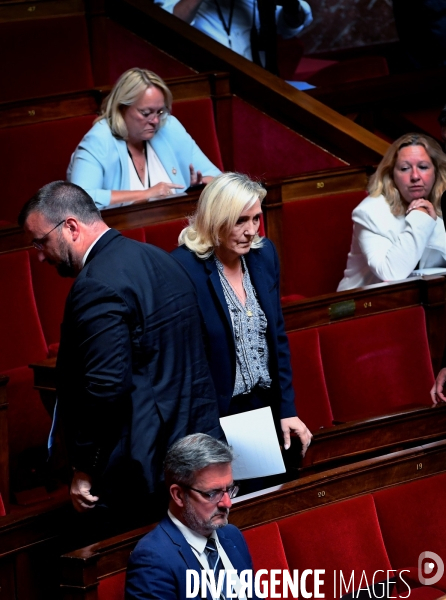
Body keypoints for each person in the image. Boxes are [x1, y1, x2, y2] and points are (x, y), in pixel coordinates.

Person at [18, 181, 222, 535]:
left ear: (70, 226)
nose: (39, 255)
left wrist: (85, 468)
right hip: (200, 449)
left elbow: (106, 389)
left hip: (145, 473)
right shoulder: (158, 257)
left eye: (40, 242)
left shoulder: (95, 285)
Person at [171, 173, 312, 462]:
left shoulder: (264, 254)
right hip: (216, 414)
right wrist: (207, 431)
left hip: (265, 405)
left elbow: (278, 339)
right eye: (240, 221)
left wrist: (288, 409)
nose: (251, 231)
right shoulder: (182, 267)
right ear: (215, 220)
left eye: (256, 219)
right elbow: (185, 362)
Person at [126, 433, 259, 600]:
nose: (227, 503)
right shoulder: (153, 559)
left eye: (229, 490)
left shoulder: (232, 536)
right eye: (212, 493)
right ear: (178, 495)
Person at [67, 68, 221, 210]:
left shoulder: (169, 127)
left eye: (160, 111)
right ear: (122, 108)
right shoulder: (99, 139)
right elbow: (77, 201)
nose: (155, 121)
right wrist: (145, 195)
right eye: (146, 113)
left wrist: (198, 187)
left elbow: (217, 177)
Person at [338, 133, 446, 292]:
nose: (415, 176)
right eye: (404, 168)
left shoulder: (442, 203)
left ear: (437, 171)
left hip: (423, 302)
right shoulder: (369, 213)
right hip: (367, 306)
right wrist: (421, 217)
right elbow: (392, 273)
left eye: (423, 167)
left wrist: (433, 220)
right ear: (391, 175)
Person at [156, 0, 312, 70]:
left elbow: (289, 26)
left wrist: (290, 4)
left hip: (259, 84)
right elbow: (168, 25)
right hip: (207, 82)